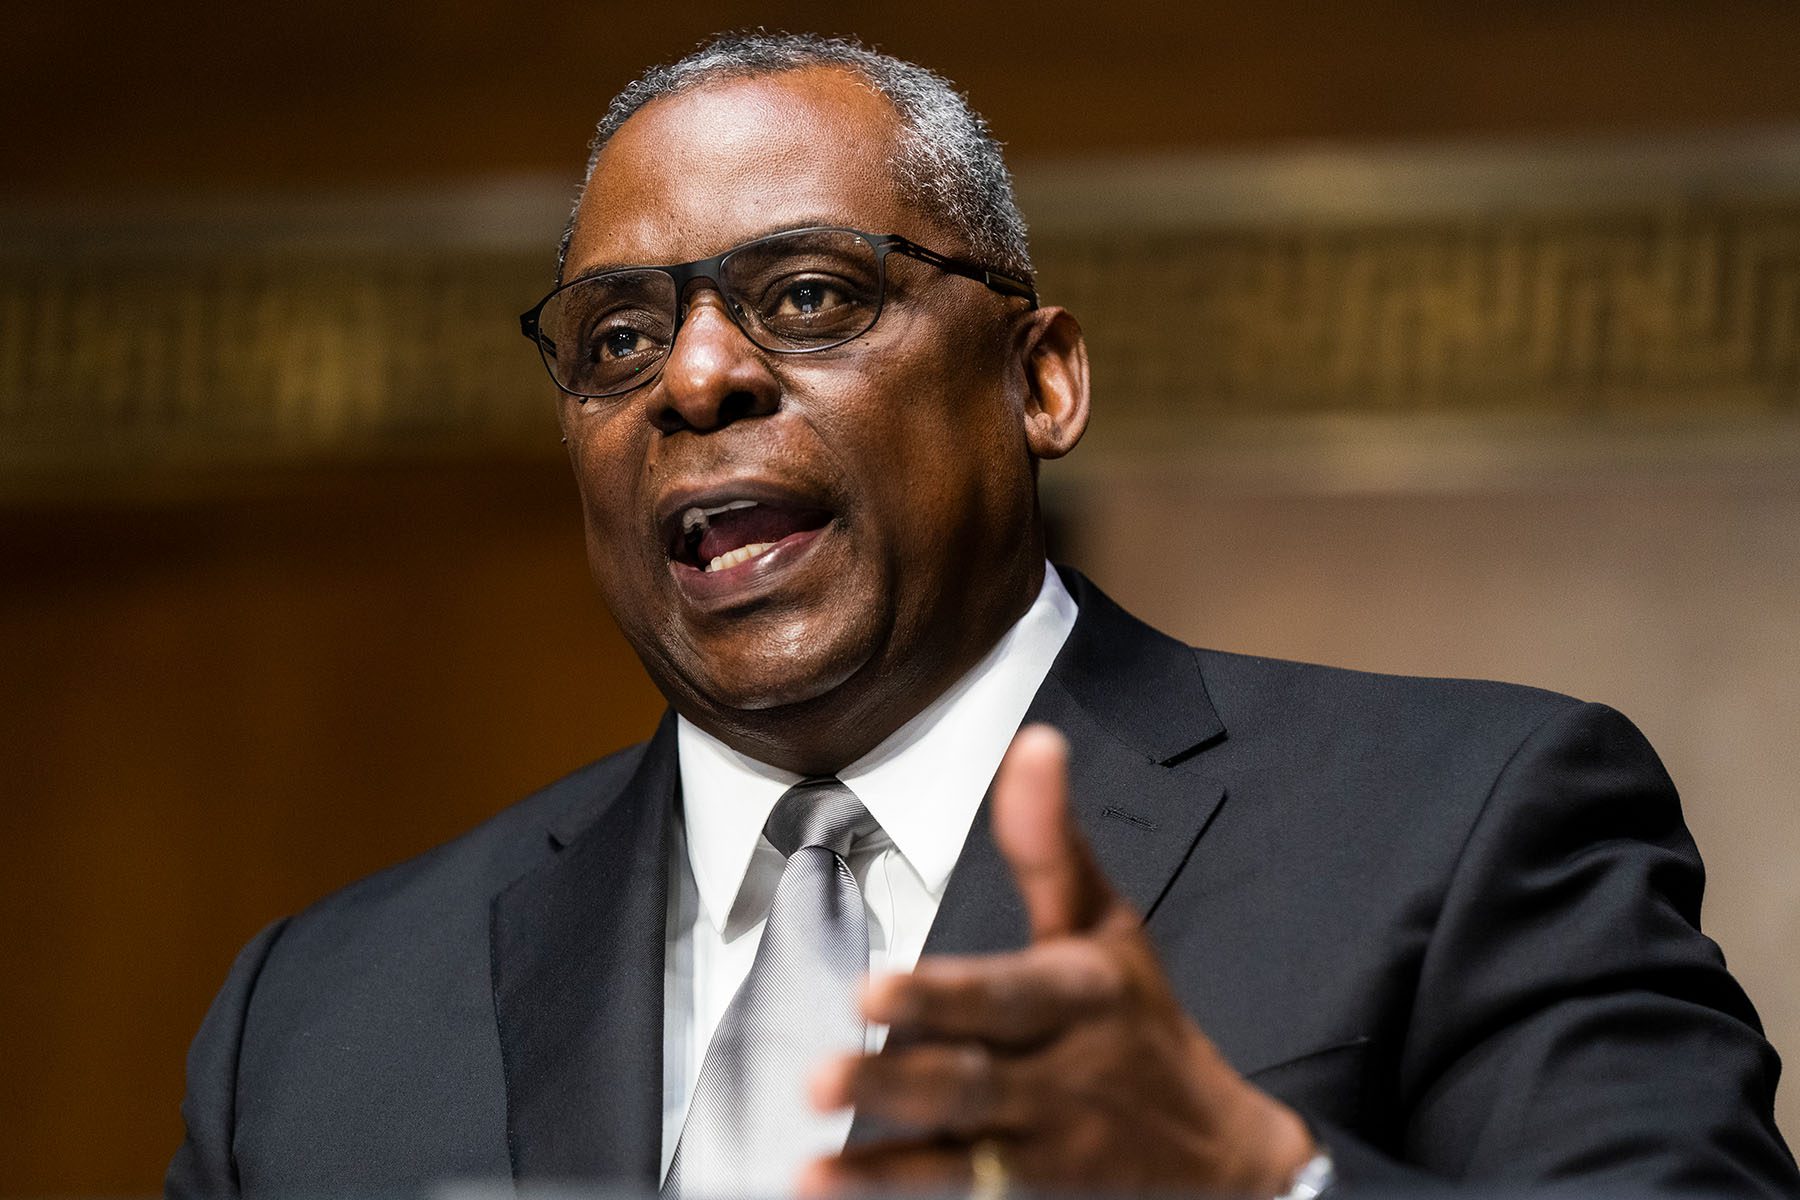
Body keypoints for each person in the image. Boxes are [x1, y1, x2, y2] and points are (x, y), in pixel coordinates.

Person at [168, 32, 1797, 1200]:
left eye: (809, 295)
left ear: (1039, 381)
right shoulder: (315, 1022)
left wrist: (1268, 1188)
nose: (697, 375)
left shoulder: (1464, 821)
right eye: (612, 339)